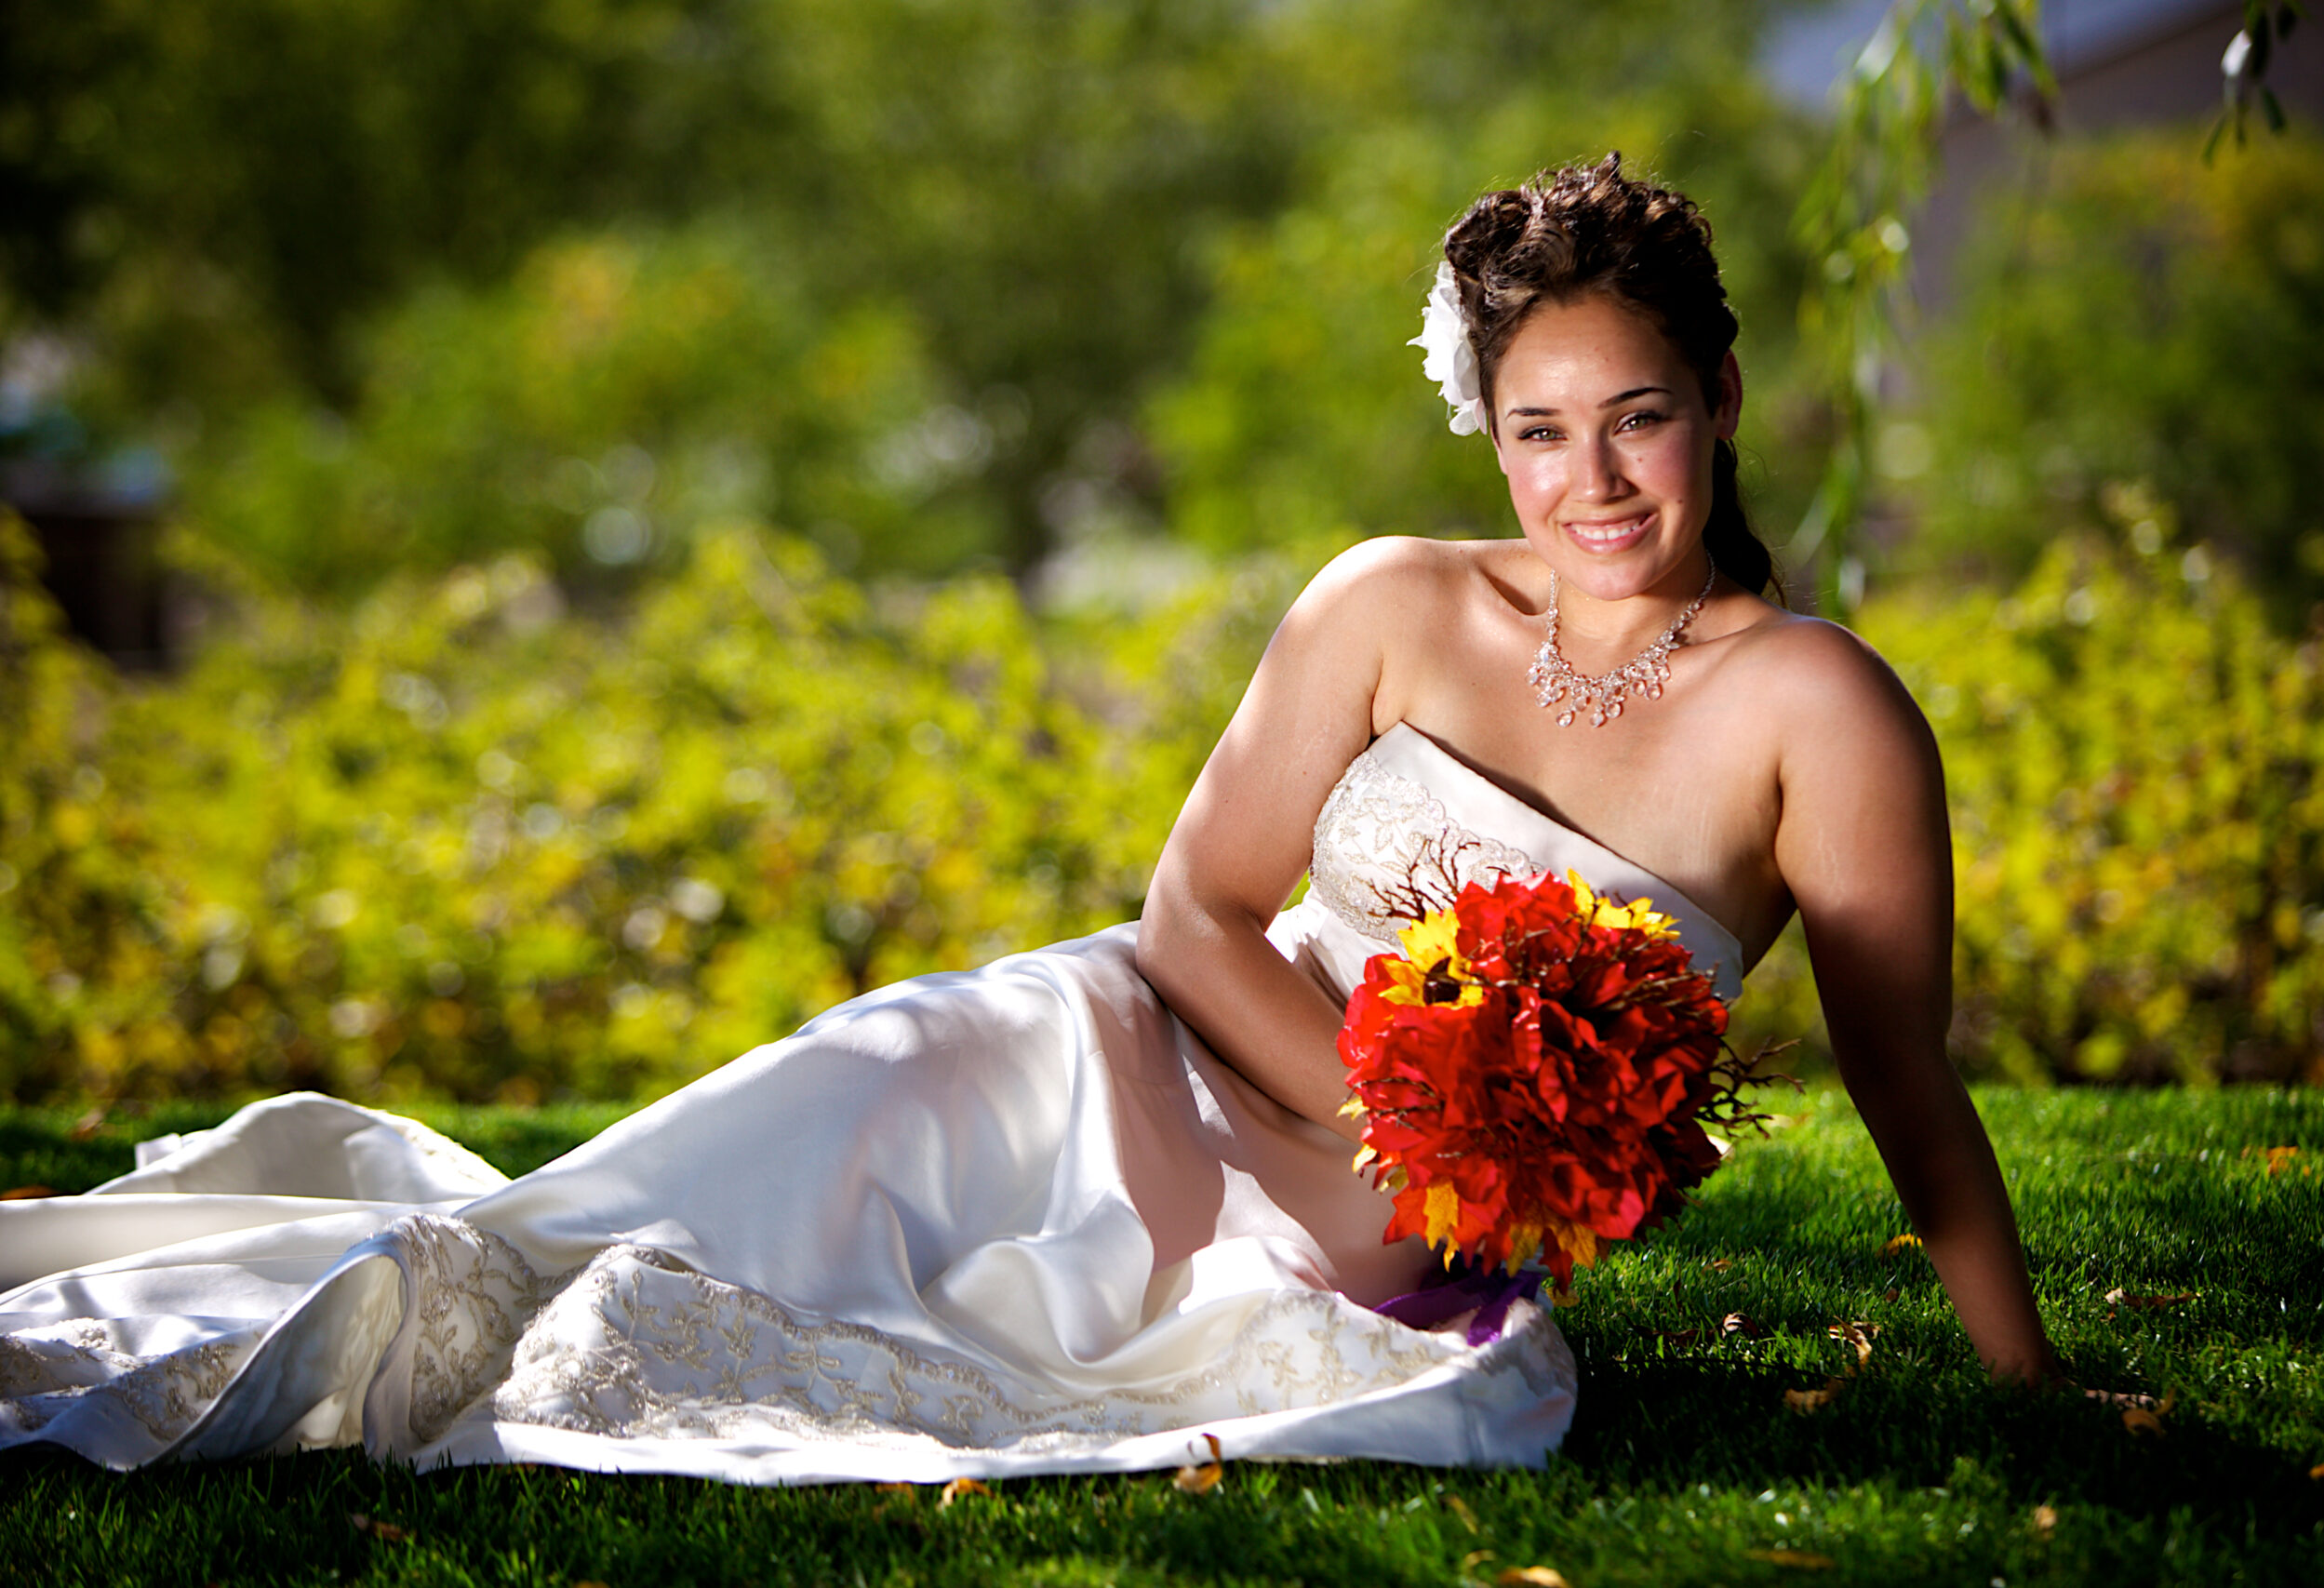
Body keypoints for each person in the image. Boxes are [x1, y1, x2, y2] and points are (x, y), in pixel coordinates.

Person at [0, 155, 2052, 1485]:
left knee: (840, 1341)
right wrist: (1382, 1078)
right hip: (1112, 1047)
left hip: (1369, 1238)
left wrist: (2023, 1391)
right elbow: (1186, 910)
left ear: (1716, 395)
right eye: (1537, 430)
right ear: (1485, 432)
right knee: (632, 1210)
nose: (1589, 480)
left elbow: (1901, 1074)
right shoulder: (1387, 599)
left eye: (1637, 417)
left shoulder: (1817, 710)